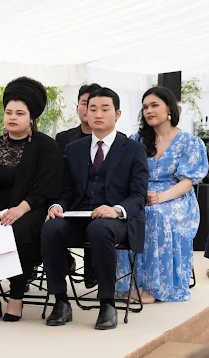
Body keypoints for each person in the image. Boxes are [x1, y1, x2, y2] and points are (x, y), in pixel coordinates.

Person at [41, 87, 148, 330]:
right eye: (92, 108)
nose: (97, 113)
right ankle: (60, 301)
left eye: (105, 109)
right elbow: (66, 191)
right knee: (51, 228)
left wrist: (117, 209)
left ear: (118, 114)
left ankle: (107, 304)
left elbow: (139, 196)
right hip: (79, 216)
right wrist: (57, 206)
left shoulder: (133, 149)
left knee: (100, 229)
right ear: (85, 113)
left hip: (116, 222)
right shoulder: (74, 148)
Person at [0, 76, 63, 322]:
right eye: (9, 112)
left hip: (30, 208)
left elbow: (48, 185)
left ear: (31, 117)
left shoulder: (47, 147)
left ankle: (16, 296)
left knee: (20, 230)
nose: (12, 117)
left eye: (20, 113)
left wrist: (21, 208)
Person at [116, 86, 208, 303]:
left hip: (177, 199)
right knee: (125, 213)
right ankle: (129, 282)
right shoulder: (136, 140)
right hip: (142, 194)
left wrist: (161, 197)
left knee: (155, 215)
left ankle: (154, 288)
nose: (149, 110)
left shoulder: (190, 142)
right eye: (145, 107)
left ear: (169, 108)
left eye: (154, 105)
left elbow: (187, 182)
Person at [55, 83, 102, 289]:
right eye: (85, 103)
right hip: (69, 197)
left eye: (95, 104)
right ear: (78, 108)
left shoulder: (117, 141)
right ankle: (65, 261)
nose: (90, 109)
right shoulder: (63, 138)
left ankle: (93, 268)